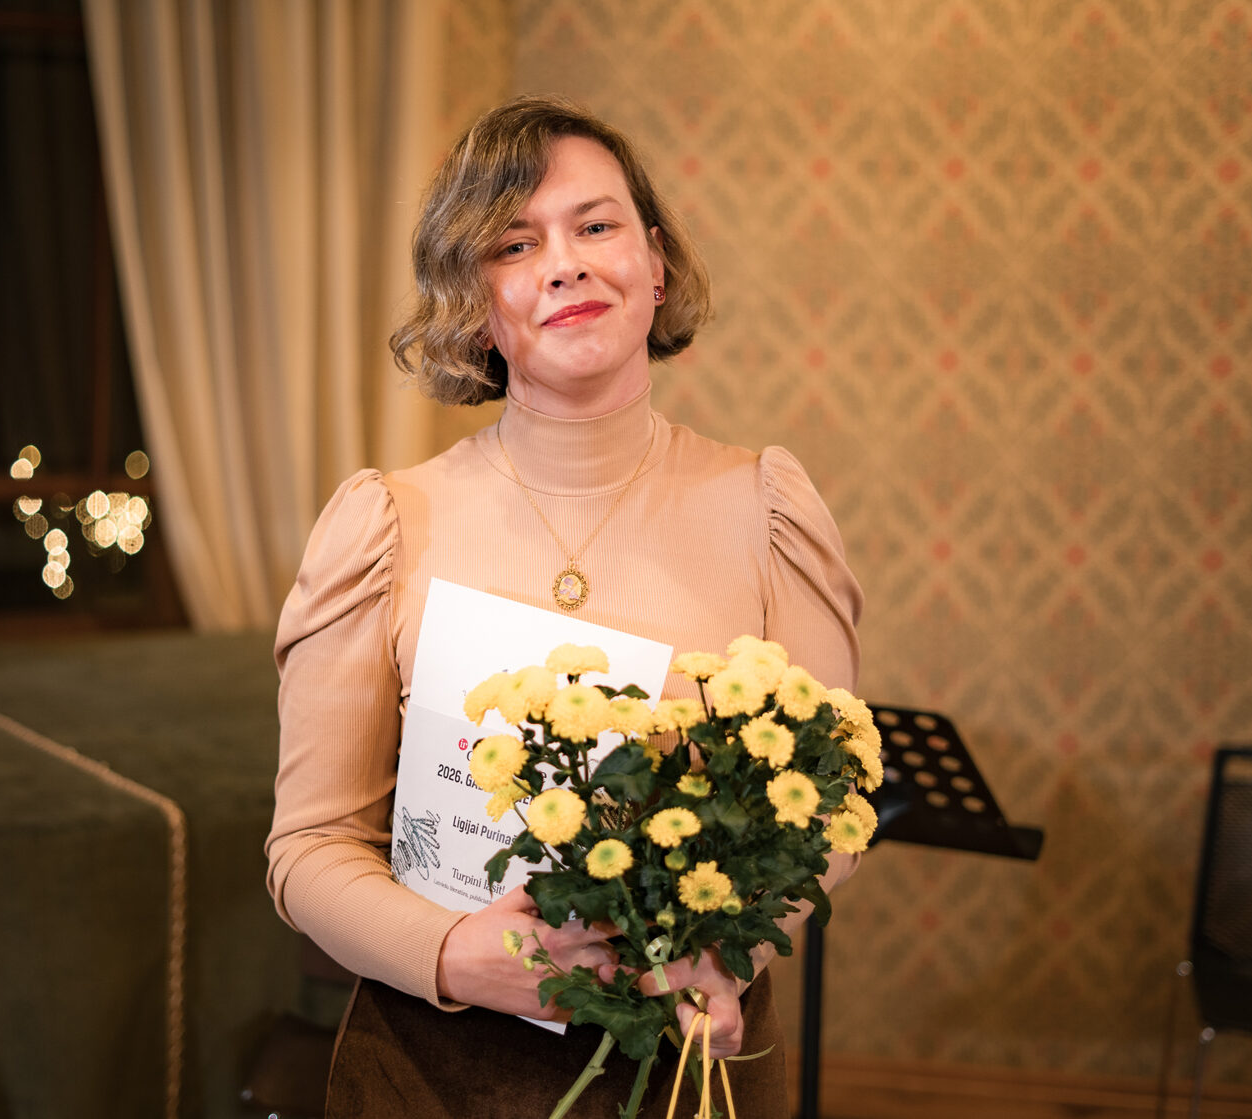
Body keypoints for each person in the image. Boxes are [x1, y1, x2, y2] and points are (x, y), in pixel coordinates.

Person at [264, 95, 864, 1118]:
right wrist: (454, 954)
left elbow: (830, 815)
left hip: (686, 1060)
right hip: (430, 1068)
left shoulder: (768, 510)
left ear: (655, 262)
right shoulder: (384, 525)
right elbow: (308, 848)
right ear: (472, 301)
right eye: (515, 243)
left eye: (595, 225)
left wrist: (728, 953)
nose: (565, 265)